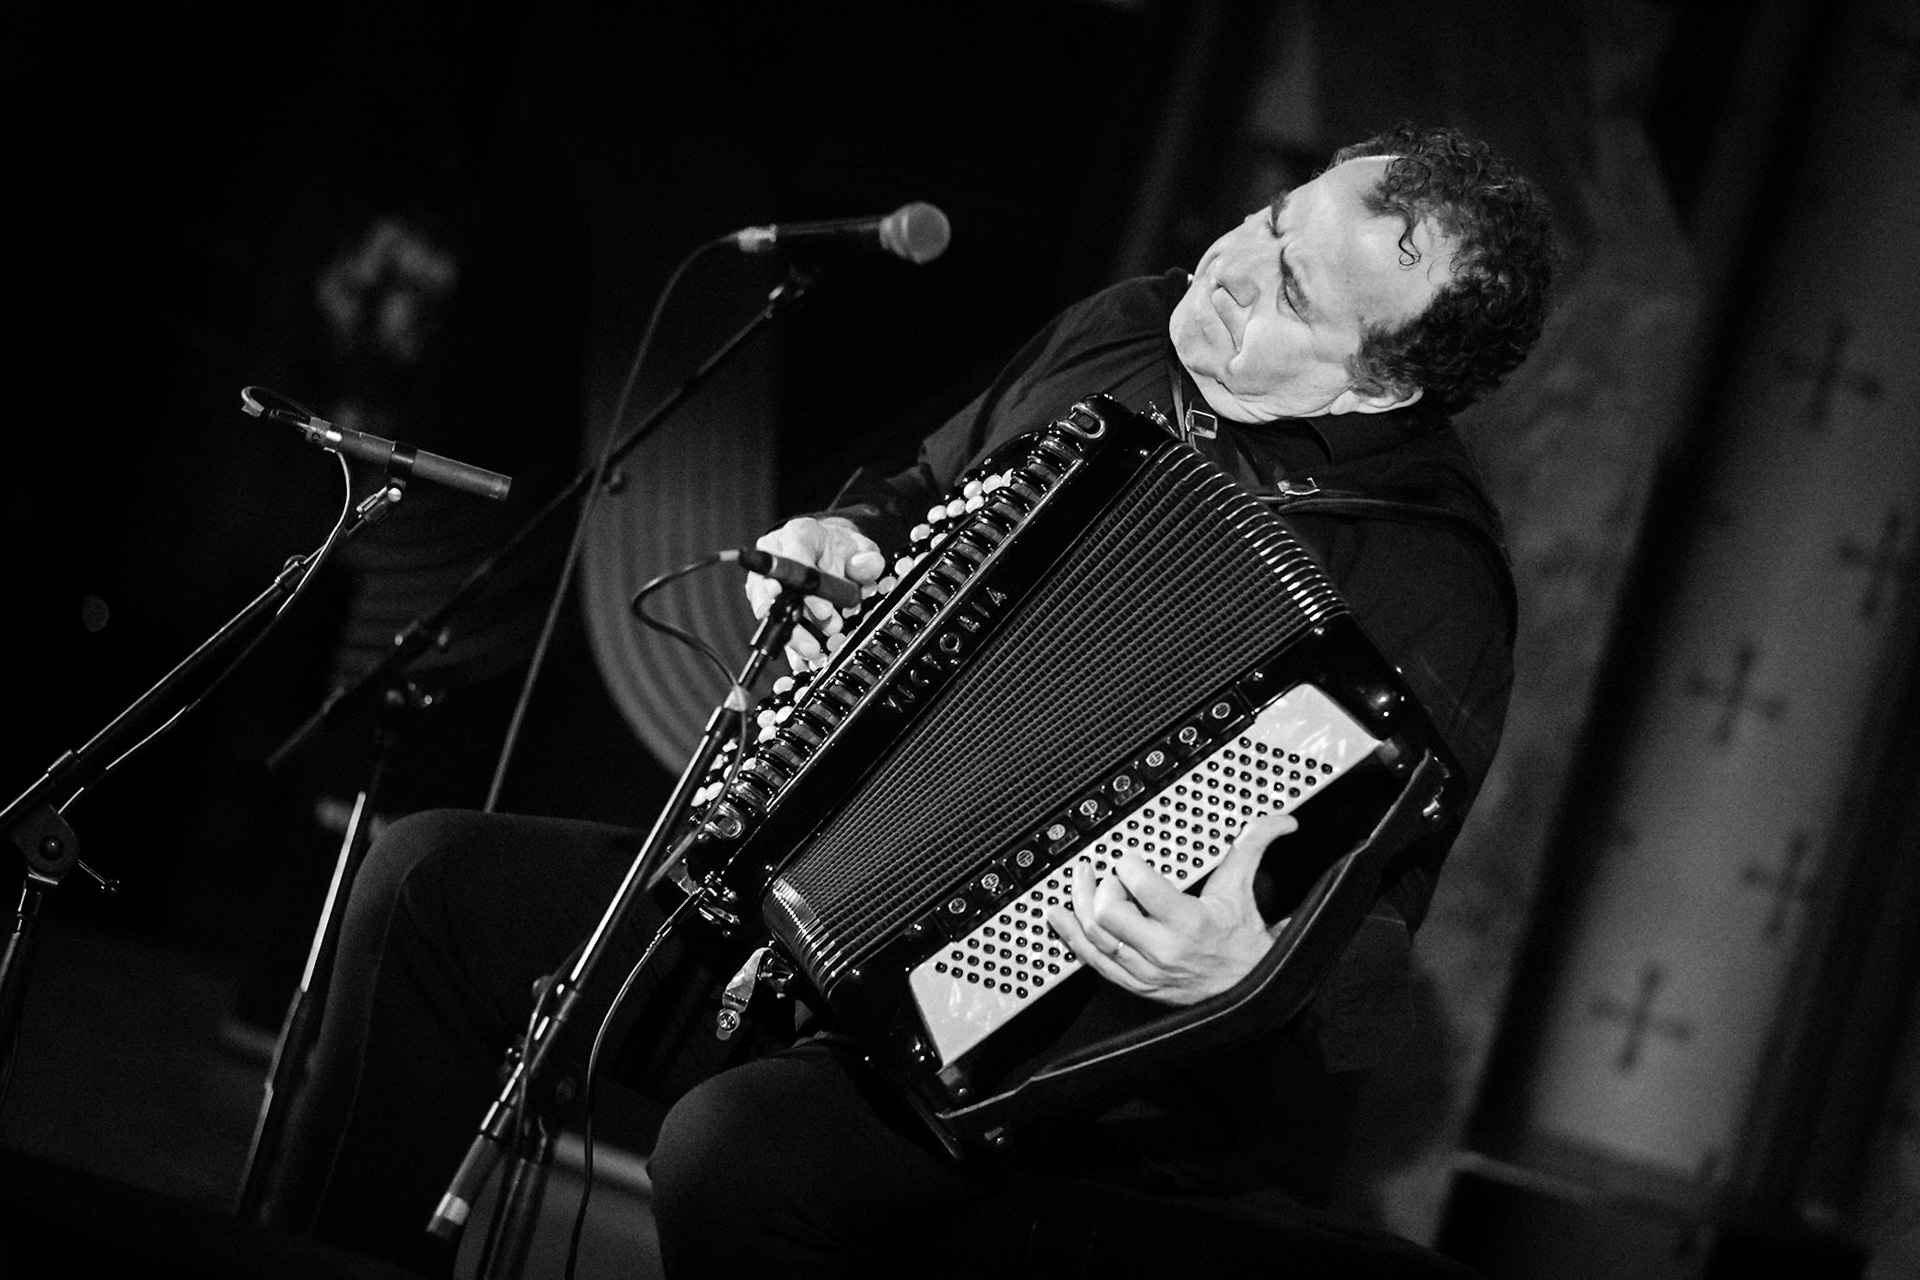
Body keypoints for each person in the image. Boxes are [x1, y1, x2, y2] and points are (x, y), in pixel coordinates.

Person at [257, 123, 1554, 1278]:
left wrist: (1255, 955)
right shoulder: (1123, 327)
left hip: (1035, 1057)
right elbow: (923, 482)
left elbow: (1364, 947)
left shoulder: (1424, 584)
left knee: (736, 1157)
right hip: (785, 906)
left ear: (1379, 386)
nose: (1226, 272)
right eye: (1267, 225)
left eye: (1288, 292)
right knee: (430, 885)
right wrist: (844, 538)